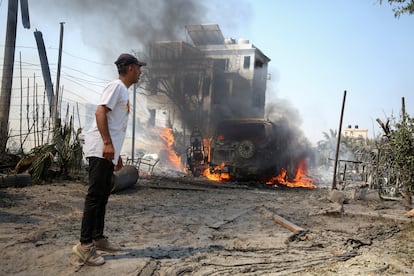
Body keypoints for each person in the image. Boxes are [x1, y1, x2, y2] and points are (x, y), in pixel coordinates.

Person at [72, 53, 146, 266]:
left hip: (107, 151)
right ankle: (85, 246)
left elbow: (114, 124)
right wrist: (106, 143)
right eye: (139, 68)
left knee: (103, 195)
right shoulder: (117, 87)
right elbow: (100, 113)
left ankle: (98, 237)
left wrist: (116, 151)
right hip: (99, 149)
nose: (140, 72)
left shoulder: (123, 91)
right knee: (95, 196)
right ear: (130, 68)